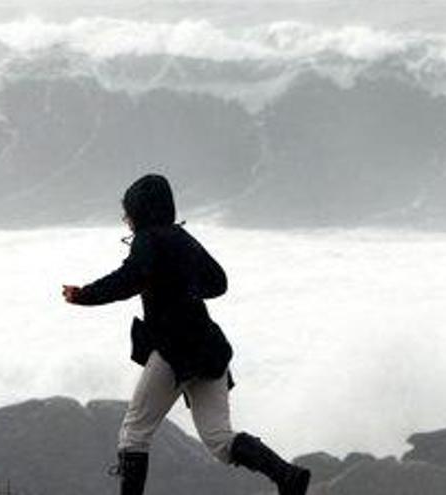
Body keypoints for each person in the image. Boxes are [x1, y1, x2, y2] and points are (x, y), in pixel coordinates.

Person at [62, 174, 311, 495]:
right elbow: (217, 283)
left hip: (175, 351)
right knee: (220, 439)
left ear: (141, 211)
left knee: (134, 433)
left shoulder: (148, 239)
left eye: (128, 212)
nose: (125, 219)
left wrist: (84, 295)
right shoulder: (182, 238)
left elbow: (129, 278)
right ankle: (288, 477)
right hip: (209, 348)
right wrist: (182, 285)